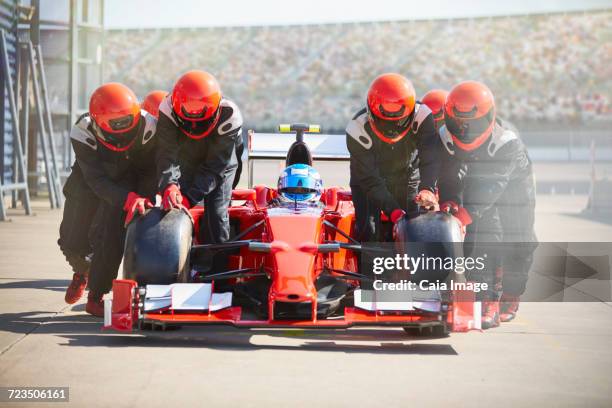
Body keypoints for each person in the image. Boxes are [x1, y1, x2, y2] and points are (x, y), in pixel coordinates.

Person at [437, 80, 537, 328]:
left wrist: (466, 213)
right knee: (477, 237)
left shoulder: (506, 142)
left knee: (518, 240)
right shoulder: (445, 136)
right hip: (475, 178)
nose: (464, 127)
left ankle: (511, 293)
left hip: (512, 186)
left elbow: (492, 187)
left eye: (470, 122)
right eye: (459, 122)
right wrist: (449, 200)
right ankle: (483, 298)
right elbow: (448, 174)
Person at [59, 82, 158, 316]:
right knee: (71, 239)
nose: (123, 137)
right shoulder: (82, 131)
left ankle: (96, 295)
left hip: (128, 181)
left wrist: (141, 197)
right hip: (88, 181)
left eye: (128, 130)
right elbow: (95, 179)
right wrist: (127, 197)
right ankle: (82, 271)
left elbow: (148, 171)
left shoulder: (148, 127)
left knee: (109, 237)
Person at [345, 73, 441, 243]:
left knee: (414, 229)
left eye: (398, 120)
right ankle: (370, 267)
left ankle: (412, 268)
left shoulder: (423, 116)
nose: (392, 127)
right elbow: (369, 179)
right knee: (369, 231)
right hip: (368, 180)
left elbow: (430, 158)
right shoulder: (357, 128)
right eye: (385, 120)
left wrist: (427, 189)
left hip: (408, 174)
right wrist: (393, 211)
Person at [156, 70, 243, 245]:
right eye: (188, 118)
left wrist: (189, 198)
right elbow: (166, 153)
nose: (194, 124)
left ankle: (220, 265)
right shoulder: (166, 110)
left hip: (221, 164)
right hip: (186, 157)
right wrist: (170, 185)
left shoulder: (230, 116)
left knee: (217, 214)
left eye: (200, 119)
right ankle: (182, 264)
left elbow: (215, 167)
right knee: (173, 208)